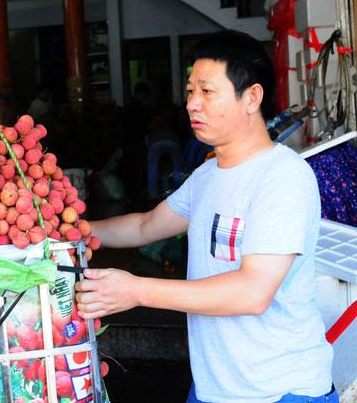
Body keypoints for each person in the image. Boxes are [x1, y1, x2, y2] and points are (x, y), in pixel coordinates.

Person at [75, 30, 337, 403]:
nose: (192, 105)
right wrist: (73, 230)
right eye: (190, 91)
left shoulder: (283, 177)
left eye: (207, 92)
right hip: (214, 389)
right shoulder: (207, 176)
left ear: (252, 97)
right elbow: (145, 226)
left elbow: (252, 292)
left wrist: (134, 290)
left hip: (280, 392)